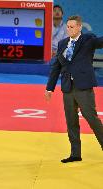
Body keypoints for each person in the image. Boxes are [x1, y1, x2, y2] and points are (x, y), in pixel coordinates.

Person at [45, 15, 103, 163]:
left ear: (79, 27)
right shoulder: (63, 43)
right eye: (68, 27)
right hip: (67, 88)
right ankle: (75, 153)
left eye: (72, 27)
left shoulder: (88, 40)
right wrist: (49, 88)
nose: (69, 29)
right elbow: (56, 66)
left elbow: (101, 42)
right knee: (71, 122)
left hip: (83, 87)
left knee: (92, 119)